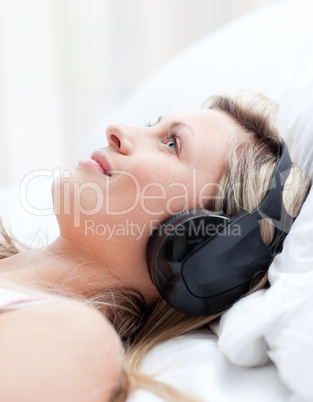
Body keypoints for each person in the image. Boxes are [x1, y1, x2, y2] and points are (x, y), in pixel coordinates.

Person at [0, 91, 310, 402]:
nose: (117, 130)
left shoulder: (70, 342)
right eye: (151, 125)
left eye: (172, 144)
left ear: (201, 247)